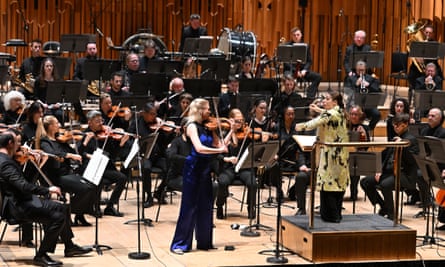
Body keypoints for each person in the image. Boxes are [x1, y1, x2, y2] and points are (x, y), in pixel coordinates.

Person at [0, 132, 92, 266]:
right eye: (18, 142)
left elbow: (23, 181)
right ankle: (41, 255)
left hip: (22, 200)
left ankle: (69, 246)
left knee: (62, 207)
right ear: (10, 143)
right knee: (58, 216)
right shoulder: (5, 163)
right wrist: (47, 190)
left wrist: (38, 162)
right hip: (17, 206)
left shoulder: (6, 159)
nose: (20, 146)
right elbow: (23, 186)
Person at [170, 98, 231, 255]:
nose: (210, 112)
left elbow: (219, 145)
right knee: (189, 206)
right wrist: (219, 151)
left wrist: (231, 130)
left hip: (205, 169)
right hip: (193, 168)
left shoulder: (208, 127)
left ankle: (205, 242)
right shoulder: (191, 126)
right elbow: (199, 148)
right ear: (199, 110)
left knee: (206, 205)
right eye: (207, 109)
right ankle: (180, 244)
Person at [295, 90, 349, 223]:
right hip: (337, 154)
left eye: (327, 99)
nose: (324, 101)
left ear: (335, 102)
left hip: (333, 156)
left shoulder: (333, 113)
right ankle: (333, 215)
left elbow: (313, 124)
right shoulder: (338, 112)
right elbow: (327, 115)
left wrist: (298, 127)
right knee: (334, 185)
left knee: (329, 185)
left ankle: (332, 216)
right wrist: (318, 109)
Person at [39, 115, 97, 226]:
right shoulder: (45, 141)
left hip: (68, 173)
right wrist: (69, 155)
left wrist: (84, 142)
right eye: (56, 123)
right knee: (85, 188)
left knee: (92, 186)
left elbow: (76, 153)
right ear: (50, 126)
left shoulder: (60, 140)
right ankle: (70, 211)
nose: (59, 125)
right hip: (56, 176)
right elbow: (52, 154)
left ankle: (79, 214)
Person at [360, 113, 419, 220]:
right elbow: (382, 155)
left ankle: (392, 215)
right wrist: (378, 170)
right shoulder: (395, 138)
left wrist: (402, 146)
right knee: (365, 182)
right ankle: (384, 207)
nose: (395, 127)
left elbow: (412, 161)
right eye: (394, 125)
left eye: (397, 125)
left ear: (405, 124)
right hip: (389, 172)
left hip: (404, 175)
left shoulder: (411, 140)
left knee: (384, 184)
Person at [78, 110, 130, 217]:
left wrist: (121, 143)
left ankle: (110, 206)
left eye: (101, 120)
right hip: (91, 167)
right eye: (97, 121)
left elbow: (113, 155)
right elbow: (79, 152)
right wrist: (86, 145)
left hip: (105, 167)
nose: (101, 123)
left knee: (122, 178)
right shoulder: (86, 134)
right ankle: (95, 207)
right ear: (90, 122)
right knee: (99, 179)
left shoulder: (106, 135)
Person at [128, 103, 172, 207]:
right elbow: (128, 139)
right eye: (152, 114)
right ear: (144, 113)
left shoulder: (159, 124)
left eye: (155, 114)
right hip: (145, 155)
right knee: (146, 168)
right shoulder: (136, 124)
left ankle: (159, 192)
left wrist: (170, 133)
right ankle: (148, 196)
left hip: (158, 155)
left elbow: (165, 142)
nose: (154, 117)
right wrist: (135, 140)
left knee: (170, 169)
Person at [215, 108, 256, 220]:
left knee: (252, 183)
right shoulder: (222, 133)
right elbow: (218, 152)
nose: (240, 123)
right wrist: (227, 159)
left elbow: (254, 150)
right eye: (237, 121)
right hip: (228, 168)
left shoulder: (246, 134)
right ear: (230, 120)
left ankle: (251, 207)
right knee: (222, 182)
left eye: (241, 121)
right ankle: (219, 206)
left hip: (243, 168)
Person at [279, 106, 311, 215]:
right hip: (281, 158)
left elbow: (300, 148)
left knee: (302, 174)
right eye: (288, 114)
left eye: (293, 114)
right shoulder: (279, 127)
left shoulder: (298, 129)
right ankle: (280, 192)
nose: (291, 116)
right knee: (272, 167)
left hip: (295, 159)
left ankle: (293, 191)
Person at [408, 25, 443, 106]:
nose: (428, 34)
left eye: (430, 33)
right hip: (419, 68)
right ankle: (414, 101)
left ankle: (436, 101)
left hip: (431, 66)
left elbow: (435, 59)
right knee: (412, 74)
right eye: (426, 32)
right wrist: (417, 57)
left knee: (439, 76)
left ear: (433, 34)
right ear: (423, 32)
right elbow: (411, 54)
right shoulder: (417, 43)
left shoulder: (435, 44)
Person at [283, 27, 322, 99]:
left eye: (298, 35)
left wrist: (305, 70)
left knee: (318, 77)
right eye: (294, 35)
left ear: (301, 35)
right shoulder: (287, 46)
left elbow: (309, 61)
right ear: (292, 36)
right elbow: (286, 63)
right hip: (290, 70)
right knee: (288, 77)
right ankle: (288, 97)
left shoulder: (305, 46)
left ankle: (310, 97)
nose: (296, 37)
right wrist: (296, 71)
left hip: (302, 71)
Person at [343, 60, 381, 131]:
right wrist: (356, 85)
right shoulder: (350, 79)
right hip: (353, 104)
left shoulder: (371, 78)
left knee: (377, 114)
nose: (361, 72)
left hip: (367, 105)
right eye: (359, 70)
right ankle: (352, 130)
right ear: (356, 69)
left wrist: (369, 85)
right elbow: (347, 92)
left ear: (365, 69)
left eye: (362, 70)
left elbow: (378, 90)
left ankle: (368, 129)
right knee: (354, 114)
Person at [347, 105, 370, 201]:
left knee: (355, 168)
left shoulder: (364, 127)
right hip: (345, 155)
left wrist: (363, 136)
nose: (353, 116)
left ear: (360, 116)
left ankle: (354, 193)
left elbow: (367, 146)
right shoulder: (345, 126)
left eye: (355, 114)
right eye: (352, 114)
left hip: (357, 156)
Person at [33, 57, 65, 123]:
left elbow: (62, 95)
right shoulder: (38, 80)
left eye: (51, 66)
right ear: (43, 67)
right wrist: (43, 104)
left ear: (53, 68)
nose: (49, 68)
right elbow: (35, 97)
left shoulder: (58, 80)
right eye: (47, 66)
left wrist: (59, 103)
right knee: (47, 116)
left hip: (55, 106)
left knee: (60, 115)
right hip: (43, 107)